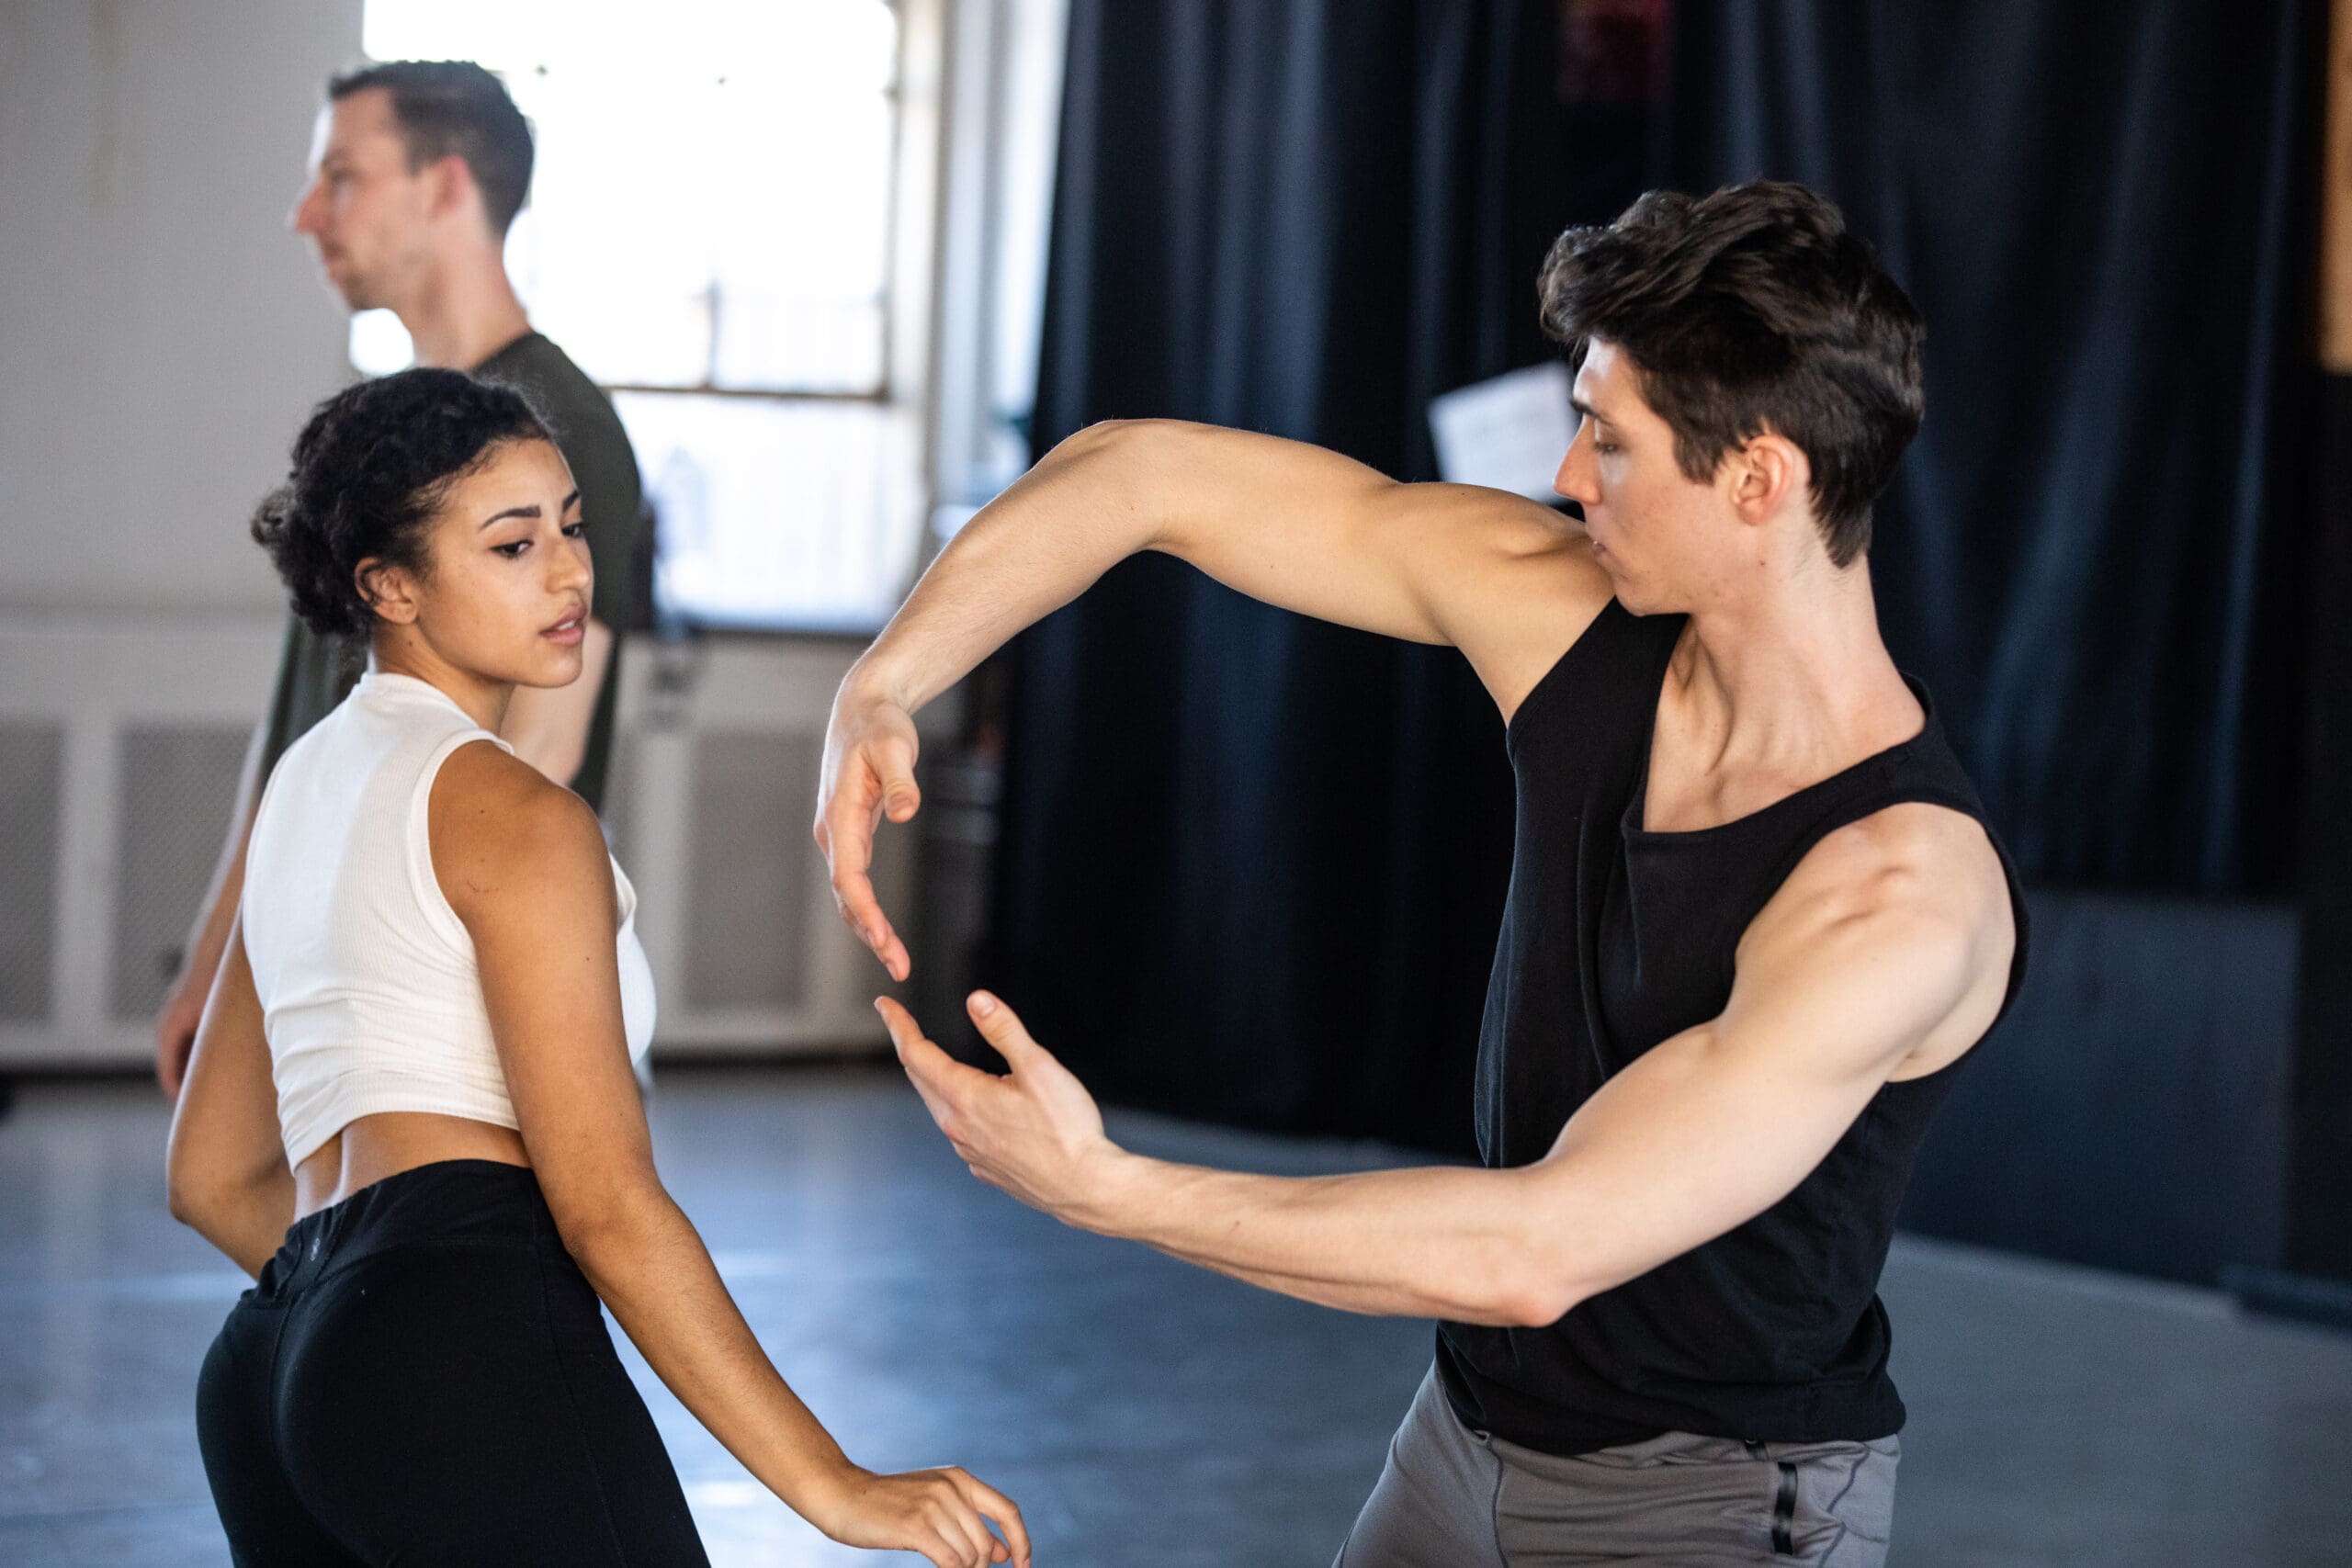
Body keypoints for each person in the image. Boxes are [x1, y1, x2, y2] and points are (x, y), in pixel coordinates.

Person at [819, 182, 2027, 1566]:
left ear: (1758, 478)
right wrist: (884, 683)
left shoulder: (1898, 894)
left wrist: (1108, 1186)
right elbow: (1140, 472)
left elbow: (1536, 1250)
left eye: (1609, 440)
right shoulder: (1570, 618)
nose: (1569, 474)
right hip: (1465, 1436)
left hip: (1713, 1499)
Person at [166, 368, 1028, 1568]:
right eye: (513, 544)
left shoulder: (299, 787)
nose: (571, 571)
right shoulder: (518, 816)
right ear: (388, 584)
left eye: (572, 527)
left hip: (267, 1370)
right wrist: (831, 1484)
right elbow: (606, 1205)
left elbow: (208, 1177)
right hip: (449, 1328)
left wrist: (346, 1331)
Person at [155, 60, 643, 1099]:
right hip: (318, 980)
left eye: (342, 177)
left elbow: (535, 757)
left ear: (446, 185)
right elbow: (297, 729)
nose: (305, 214)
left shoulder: (557, 428)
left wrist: (344, 1001)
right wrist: (221, 955)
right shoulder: (381, 432)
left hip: (416, 1018)